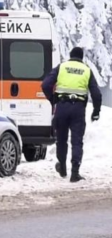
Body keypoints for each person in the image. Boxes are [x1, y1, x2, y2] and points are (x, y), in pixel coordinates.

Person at [42, 47, 102, 182]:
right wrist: (96, 112)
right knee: (77, 141)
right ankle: (75, 173)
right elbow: (96, 94)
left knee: (61, 139)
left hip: (62, 107)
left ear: (70, 56)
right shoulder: (86, 70)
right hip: (78, 109)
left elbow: (45, 85)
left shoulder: (62, 67)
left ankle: (62, 167)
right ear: (82, 57)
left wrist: (53, 99)